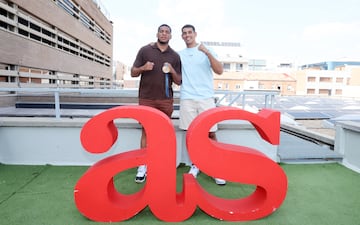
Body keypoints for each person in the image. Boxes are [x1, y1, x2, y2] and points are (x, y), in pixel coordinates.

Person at [130, 24, 182, 183]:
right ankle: (143, 165)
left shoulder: (175, 56)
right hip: (147, 98)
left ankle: (159, 164)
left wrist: (172, 70)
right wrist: (143, 68)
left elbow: (179, 81)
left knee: (163, 133)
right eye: (162, 31)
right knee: (146, 131)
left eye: (167, 32)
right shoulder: (145, 50)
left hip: (165, 100)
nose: (164, 34)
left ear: (171, 36)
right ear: (157, 33)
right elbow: (132, 72)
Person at [178, 24, 225, 185]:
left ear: (195, 34)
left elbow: (219, 70)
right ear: (182, 36)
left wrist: (207, 52)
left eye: (189, 32)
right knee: (191, 134)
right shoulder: (180, 54)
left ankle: (216, 168)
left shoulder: (206, 49)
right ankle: (196, 164)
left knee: (210, 133)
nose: (187, 35)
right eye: (184, 33)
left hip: (206, 98)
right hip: (187, 98)